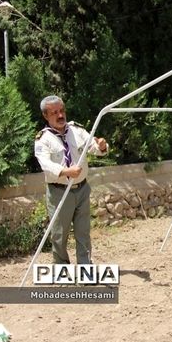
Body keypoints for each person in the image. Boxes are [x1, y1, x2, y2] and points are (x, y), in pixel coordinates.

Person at [34, 95, 108, 264]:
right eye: (54, 113)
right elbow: (45, 164)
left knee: (83, 231)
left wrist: (102, 146)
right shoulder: (42, 139)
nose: (60, 115)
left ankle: (85, 267)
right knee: (59, 233)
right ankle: (61, 267)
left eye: (62, 111)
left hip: (81, 189)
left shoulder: (76, 130)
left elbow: (93, 147)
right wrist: (65, 171)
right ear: (46, 115)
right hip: (59, 191)